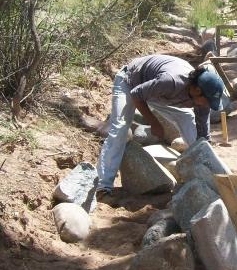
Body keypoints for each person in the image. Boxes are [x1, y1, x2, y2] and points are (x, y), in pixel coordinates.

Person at [95, 54, 225, 197]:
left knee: (186, 117)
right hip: (130, 81)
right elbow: (136, 94)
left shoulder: (202, 97)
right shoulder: (171, 82)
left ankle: (203, 168)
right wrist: (154, 122)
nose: (207, 105)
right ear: (197, 90)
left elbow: (203, 133)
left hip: (156, 92)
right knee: (120, 127)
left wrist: (207, 151)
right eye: (207, 101)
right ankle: (103, 185)